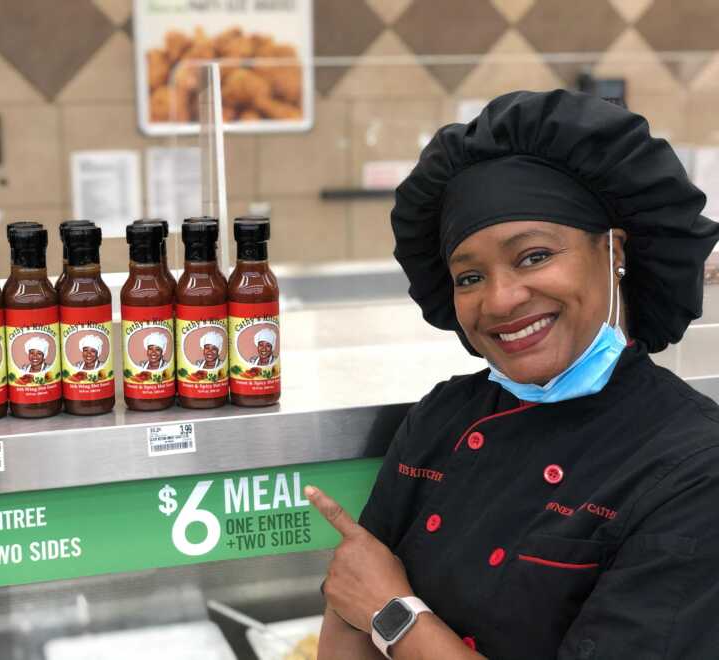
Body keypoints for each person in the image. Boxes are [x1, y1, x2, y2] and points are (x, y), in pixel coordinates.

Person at [308, 89, 719, 660]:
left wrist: (393, 612)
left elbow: (368, 601)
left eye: (533, 257)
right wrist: (366, 601)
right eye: (469, 277)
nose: (500, 300)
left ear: (613, 251)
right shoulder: (442, 418)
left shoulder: (696, 466)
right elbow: (346, 614)